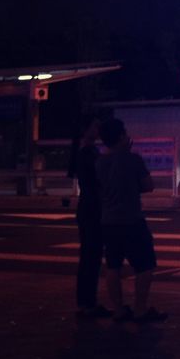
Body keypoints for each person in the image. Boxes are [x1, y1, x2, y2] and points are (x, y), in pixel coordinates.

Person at [96, 117, 167, 324]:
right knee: (145, 266)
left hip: (108, 220)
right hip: (131, 219)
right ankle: (140, 309)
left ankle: (118, 309)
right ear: (120, 137)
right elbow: (148, 185)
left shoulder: (99, 162)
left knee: (113, 266)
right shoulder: (132, 159)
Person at [69, 113, 110, 318]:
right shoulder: (90, 153)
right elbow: (100, 179)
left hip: (86, 207)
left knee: (88, 256)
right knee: (92, 257)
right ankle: (88, 303)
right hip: (93, 208)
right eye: (95, 127)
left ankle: (85, 302)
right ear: (86, 130)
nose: (98, 130)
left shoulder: (81, 151)